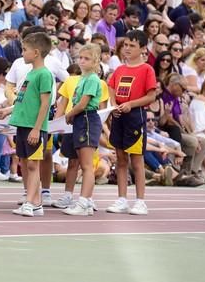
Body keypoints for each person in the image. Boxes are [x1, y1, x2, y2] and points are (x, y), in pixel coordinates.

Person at [0, 32, 54, 217]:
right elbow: (23, 100)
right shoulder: (30, 73)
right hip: (22, 125)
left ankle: (30, 202)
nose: (22, 53)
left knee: (33, 165)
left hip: (34, 127)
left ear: (36, 52)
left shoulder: (44, 74)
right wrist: (8, 110)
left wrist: (37, 128)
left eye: (24, 50)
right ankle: (35, 202)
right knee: (25, 163)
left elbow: (45, 103)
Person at [107, 30, 157, 215]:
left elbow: (151, 96)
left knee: (136, 160)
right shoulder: (120, 69)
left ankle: (140, 201)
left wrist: (131, 104)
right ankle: (121, 199)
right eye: (125, 45)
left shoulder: (147, 70)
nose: (127, 48)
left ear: (143, 49)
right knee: (120, 159)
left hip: (135, 116)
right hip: (119, 116)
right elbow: (111, 86)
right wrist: (113, 104)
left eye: (132, 46)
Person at [62, 44, 103, 216]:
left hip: (87, 119)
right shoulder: (82, 79)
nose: (82, 61)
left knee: (86, 165)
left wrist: (70, 113)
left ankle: (84, 201)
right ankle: (84, 201)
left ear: (95, 61)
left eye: (87, 58)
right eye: (81, 58)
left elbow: (83, 103)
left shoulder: (92, 79)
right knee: (81, 163)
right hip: (80, 120)